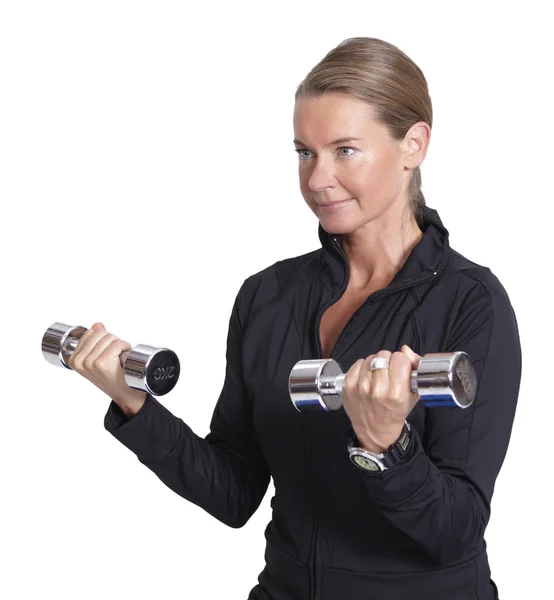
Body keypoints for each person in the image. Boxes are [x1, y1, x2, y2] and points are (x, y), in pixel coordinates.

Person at [68, 37, 521, 600]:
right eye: (304, 152)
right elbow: (234, 492)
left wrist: (387, 446)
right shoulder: (269, 295)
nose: (316, 178)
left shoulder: (471, 303)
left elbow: (454, 532)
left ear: (414, 144)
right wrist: (134, 405)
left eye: (344, 150)